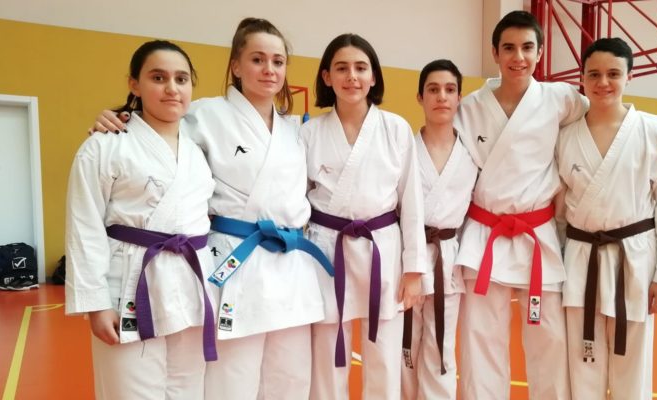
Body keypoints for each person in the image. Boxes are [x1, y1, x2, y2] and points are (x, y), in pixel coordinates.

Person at [90, 18, 333, 400]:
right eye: (257, 59)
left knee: (290, 378)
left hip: (290, 267)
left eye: (278, 61)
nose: (269, 69)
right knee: (232, 380)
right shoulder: (203, 115)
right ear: (236, 65)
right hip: (234, 263)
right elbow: (155, 132)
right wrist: (118, 118)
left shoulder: (295, 130)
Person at [453, 11, 657, 399]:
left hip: (539, 237)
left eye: (527, 47)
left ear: (540, 52)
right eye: (509, 48)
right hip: (487, 235)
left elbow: (612, 111)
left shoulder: (560, 99)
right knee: (481, 341)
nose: (518, 57)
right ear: (494, 53)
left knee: (551, 341)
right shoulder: (468, 107)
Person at [66, 40, 215, 399]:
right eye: (158, 77)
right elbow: (84, 225)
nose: (171, 88)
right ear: (134, 84)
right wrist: (96, 303)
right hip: (130, 285)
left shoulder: (197, 150)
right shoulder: (104, 145)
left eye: (181, 79)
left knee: (188, 392)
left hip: (191, 288)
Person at [557, 37, 657, 399]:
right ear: (581, 78)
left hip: (635, 259)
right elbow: (558, 210)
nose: (603, 82)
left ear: (630, 76)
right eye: (594, 74)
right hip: (581, 258)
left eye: (614, 74)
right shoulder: (565, 136)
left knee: (633, 360)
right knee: (582, 360)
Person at [301, 33, 427, 400]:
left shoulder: (396, 128)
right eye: (341, 68)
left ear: (374, 77)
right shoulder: (309, 132)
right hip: (327, 250)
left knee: (384, 354)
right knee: (328, 353)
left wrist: (414, 269)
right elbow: (295, 201)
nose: (352, 76)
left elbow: (412, 202)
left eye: (361, 68)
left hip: (381, 248)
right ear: (327, 77)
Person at [400, 59, 477, 400]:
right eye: (433, 89)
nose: (441, 96)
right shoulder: (403, 149)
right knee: (402, 348)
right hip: (406, 257)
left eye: (449, 89)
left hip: (448, 257)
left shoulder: (472, 154)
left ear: (459, 97)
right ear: (420, 97)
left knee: (440, 348)